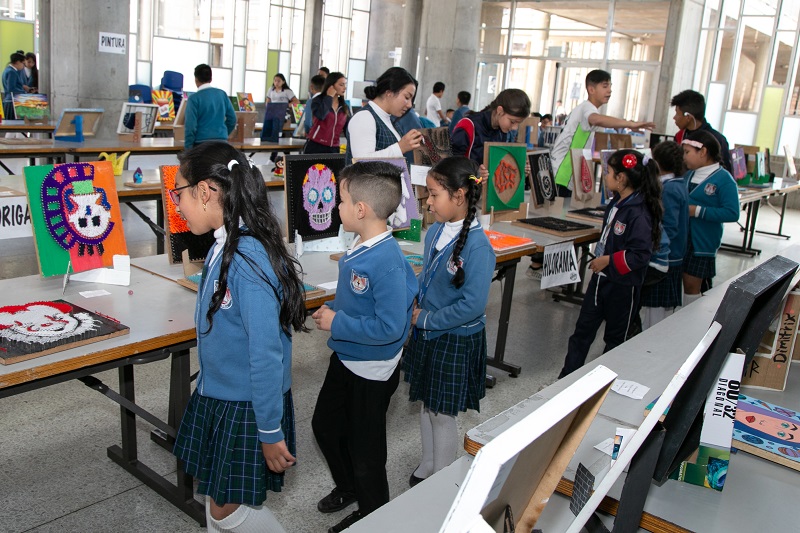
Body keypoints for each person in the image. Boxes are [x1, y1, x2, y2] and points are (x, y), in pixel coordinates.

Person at [171, 142, 307, 533]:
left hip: (248, 404)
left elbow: (265, 354)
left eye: (179, 192)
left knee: (228, 509)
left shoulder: (246, 258)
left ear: (206, 192)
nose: (177, 203)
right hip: (224, 393)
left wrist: (269, 430)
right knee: (218, 500)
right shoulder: (225, 243)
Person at [311, 161, 418, 533]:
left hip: (372, 371)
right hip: (347, 356)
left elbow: (390, 328)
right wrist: (337, 310)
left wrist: (337, 322)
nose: (336, 207)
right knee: (324, 426)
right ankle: (349, 487)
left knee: (367, 454)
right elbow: (360, 301)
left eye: (341, 200)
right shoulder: (360, 245)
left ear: (361, 210)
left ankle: (373, 515)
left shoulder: (386, 260)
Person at [403, 156, 495, 486]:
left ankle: (442, 480)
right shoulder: (436, 232)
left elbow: (472, 305)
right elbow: (426, 277)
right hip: (430, 332)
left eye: (433, 194)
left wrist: (426, 317)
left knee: (443, 413)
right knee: (429, 404)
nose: (427, 202)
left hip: (454, 336)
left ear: (458, 196)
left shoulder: (479, 248)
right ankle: (428, 464)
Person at [558, 149, 663, 378]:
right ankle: (565, 380)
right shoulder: (617, 201)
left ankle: (604, 387)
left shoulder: (640, 212)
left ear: (621, 178)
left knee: (615, 339)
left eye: (609, 172)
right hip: (600, 281)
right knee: (582, 333)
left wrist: (607, 260)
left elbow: (640, 255)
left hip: (623, 287)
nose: (605, 176)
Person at [550, 70, 656, 197]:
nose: (609, 90)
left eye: (610, 86)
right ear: (591, 89)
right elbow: (596, 119)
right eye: (605, 86)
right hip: (562, 172)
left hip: (565, 172)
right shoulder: (587, 108)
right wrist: (629, 124)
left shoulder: (585, 108)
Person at [681, 130, 740, 305]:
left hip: (701, 243)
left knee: (693, 286)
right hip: (682, 239)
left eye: (687, 152)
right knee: (682, 283)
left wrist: (697, 211)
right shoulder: (688, 175)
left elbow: (732, 213)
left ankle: (692, 323)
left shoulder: (724, 180)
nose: (684, 157)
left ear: (703, 152)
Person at [639, 141, 689, 330]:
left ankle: (650, 348)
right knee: (660, 312)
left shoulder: (668, 189)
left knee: (657, 314)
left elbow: (669, 226)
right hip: (672, 256)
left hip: (666, 258)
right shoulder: (677, 184)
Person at [345, 66, 423, 165]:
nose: (409, 105)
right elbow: (361, 162)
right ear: (389, 93)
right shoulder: (364, 117)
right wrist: (400, 147)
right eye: (407, 97)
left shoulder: (390, 119)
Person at [450, 88, 531, 166]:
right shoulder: (469, 125)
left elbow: (498, 165)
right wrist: (476, 174)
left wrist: (519, 169)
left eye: (518, 123)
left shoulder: (502, 131)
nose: (515, 128)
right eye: (512, 122)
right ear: (500, 111)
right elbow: (452, 165)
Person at [671, 89, 733, 173]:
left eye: (677, 113)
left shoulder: (717, 140)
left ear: (688, 117)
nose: (674, 118)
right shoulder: (680, 137)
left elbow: (725, 173)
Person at [183, 64, 237, 149]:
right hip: (222, 144)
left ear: (196, 79)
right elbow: (232, 119)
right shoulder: (222, 94)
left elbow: (190, 127)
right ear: (211, 79)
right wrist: (223, 133)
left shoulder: (193, 99)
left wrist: (188, 149)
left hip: (201, 145)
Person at [305, 72, 349, 154]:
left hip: (334, 148)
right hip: (315, 146)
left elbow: (348, 130)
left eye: (345, 84)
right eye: (341, 85)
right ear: (331, 85)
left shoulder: (344, 107)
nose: (344, 88)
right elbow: (321, 115)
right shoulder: (317, 100)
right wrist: (329, 97)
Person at [2, 52, 26, 119]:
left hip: (9, 100)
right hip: (12, 102)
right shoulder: (12, 72)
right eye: (23, 63)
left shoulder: (7, 70)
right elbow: (11, 88)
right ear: (18, 62)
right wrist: (23, 92)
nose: (23, 66)